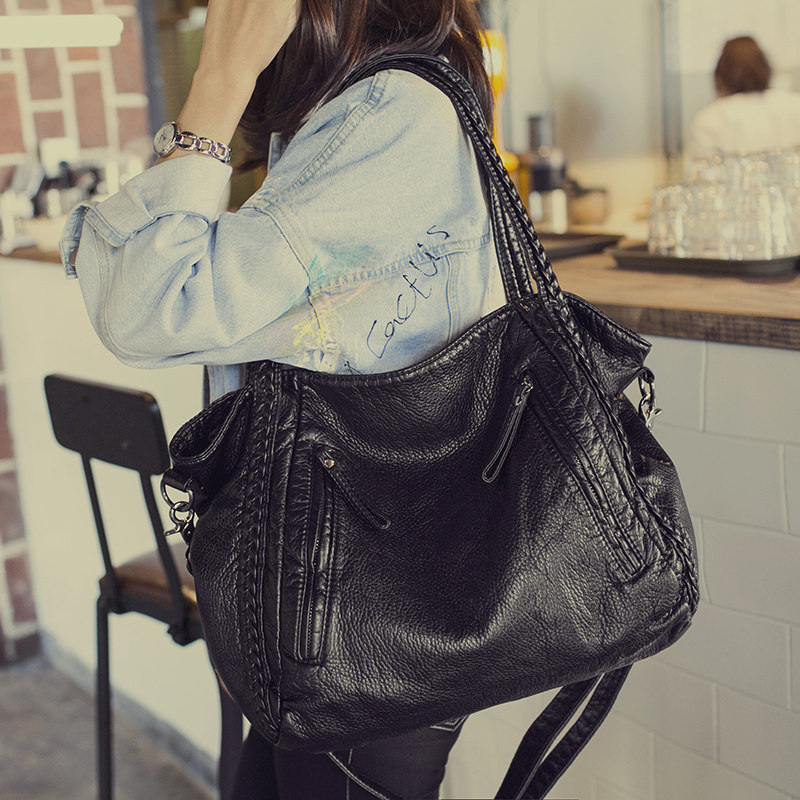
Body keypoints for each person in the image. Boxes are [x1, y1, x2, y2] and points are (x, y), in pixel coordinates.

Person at [59, 0, 503, 797]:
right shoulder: (349, 109)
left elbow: (150, 304)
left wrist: (220, 76)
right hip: (324, 604)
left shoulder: (391, 112)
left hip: (364, 619)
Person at [688, 35, 800, 159]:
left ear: (720, 74)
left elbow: (703, 168)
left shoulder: (710, 119)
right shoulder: (795, 105)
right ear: (765, 67)